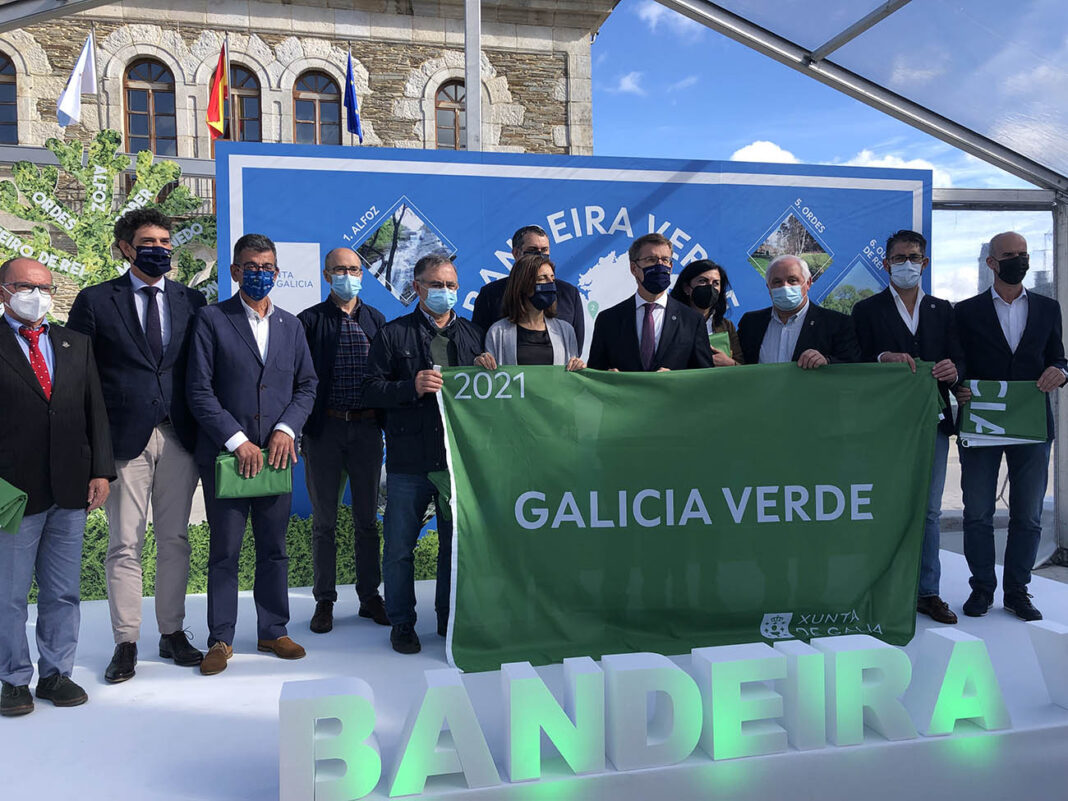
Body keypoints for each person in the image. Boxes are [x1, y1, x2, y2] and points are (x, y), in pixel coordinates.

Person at [66, 208, 207, 684]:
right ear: (126, 247)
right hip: (122, 439)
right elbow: (79, 377)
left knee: (175, 539)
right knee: (124, 543)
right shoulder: (95, 300)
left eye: (166, 242)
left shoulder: (192, 300)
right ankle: (126, 641)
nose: (160, 249)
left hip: (179, 435)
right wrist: (92, 449)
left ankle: (172, 632)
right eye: (149, 242)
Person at [186, 233, 318, 675]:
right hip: (228, 458)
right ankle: (220, 638)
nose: (259, 274)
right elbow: (199, 390)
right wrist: (236, 440)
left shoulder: (291, 326)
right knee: (225, 551)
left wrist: (286, 430)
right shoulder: (211, 319)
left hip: (277, 458)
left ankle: (273, 630)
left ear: (277, 272)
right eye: (251, 266)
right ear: (235, 271)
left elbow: (306, 386)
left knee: (274, 549)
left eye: (267, 267)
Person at [0, 258, 115, 717]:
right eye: (25, 286)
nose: (37, 295)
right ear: (4, 291)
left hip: (70, 487)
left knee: (62, 591)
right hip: (12, 493)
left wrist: (101, 470)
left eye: (45, 287)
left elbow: (95, 411)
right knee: (9, 594)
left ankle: (56, 673)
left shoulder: (74, 343)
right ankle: (13, 679)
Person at [363, 253, 483, 654]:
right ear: (417, 288)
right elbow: (370, 390)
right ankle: (401, 622)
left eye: (451, 285)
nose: (445, 291)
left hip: (456, 462)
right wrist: (409, 387)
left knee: (454, 547)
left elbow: (490, 398)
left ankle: (450, 619)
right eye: (436, 285)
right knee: (399, 548)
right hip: (408, 461)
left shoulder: (474, 335)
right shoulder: (393, 334)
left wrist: (489, 369)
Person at [954, 231, 1067, 622]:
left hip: (1031, 424)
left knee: (1029, 515)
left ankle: (1017, 591)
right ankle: (982, 589)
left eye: (1024, 253)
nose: (1019, 260)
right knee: (977, 512)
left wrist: (1061, 371)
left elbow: (1058, 357)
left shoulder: (1048, 308)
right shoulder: (965, 311)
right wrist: (957, 383)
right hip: (981, 422)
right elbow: (957, 359)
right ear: (992, 262)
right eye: (1009, 255)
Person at [852, 230, 962, 624]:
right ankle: (879, 588)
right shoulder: (866, 310)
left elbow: (960, 359)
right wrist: (883, 357)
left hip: (932, 424)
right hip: (884, 425)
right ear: (885, 264)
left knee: (929, 511)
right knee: (882, 506)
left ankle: (928, 592)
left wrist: (953, 370)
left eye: (914, 258)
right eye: (899, 258)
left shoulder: (943, 310)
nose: (907, 264)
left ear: (925, 263)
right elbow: (854, 358)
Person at [298, 248, 389, 634]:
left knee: (367, 521)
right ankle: (324, 600)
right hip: (325, 432)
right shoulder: (309, 321)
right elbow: (299, 379)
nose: (347, 275)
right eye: (339, 270)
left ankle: (370, 597)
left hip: (367, 431)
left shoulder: (376, 320)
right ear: (326, 275)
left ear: (362, 275)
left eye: (353, 269)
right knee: (325, 522)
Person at [587, 232, 714, 371]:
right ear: (634, 268)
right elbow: (594, 374)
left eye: (665, 260)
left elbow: (704, 375)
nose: (660, 265)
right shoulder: (608, 320)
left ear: (671, 267)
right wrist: (608, 376)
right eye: (651, 260)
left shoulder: (692, 321)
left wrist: (676, 379)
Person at [471, 224, 586, 351]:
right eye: (532, 250)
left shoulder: (568, 293)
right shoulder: (491, 294)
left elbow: (575, 346)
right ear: (516, 253)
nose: (539, 255)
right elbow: (478, 342)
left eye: (544, 250)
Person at [737, 254, 860, 367]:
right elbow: (740, 364)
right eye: (777, 282)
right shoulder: (750, 323)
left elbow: (853, 367)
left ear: (808, 283)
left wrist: (827, 362)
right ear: (768, 287)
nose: (785, 287)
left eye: (792, 280)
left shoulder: (837, 324)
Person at [475, 254, 584, 370]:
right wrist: (482, 364)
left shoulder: (566, 330)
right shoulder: (497, 332)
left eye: (552, 278)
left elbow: (571, 375)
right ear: (523, 285)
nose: (550, 283)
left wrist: (578, 367)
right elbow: (491, 376)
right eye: (542, 278)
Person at [668, 258, 743, 365]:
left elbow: (741, 366)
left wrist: (730, 363)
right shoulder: (670, 322)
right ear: (686, 288)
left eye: (716, 283)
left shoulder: (726, 326)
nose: (710, 287)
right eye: (702, 281)